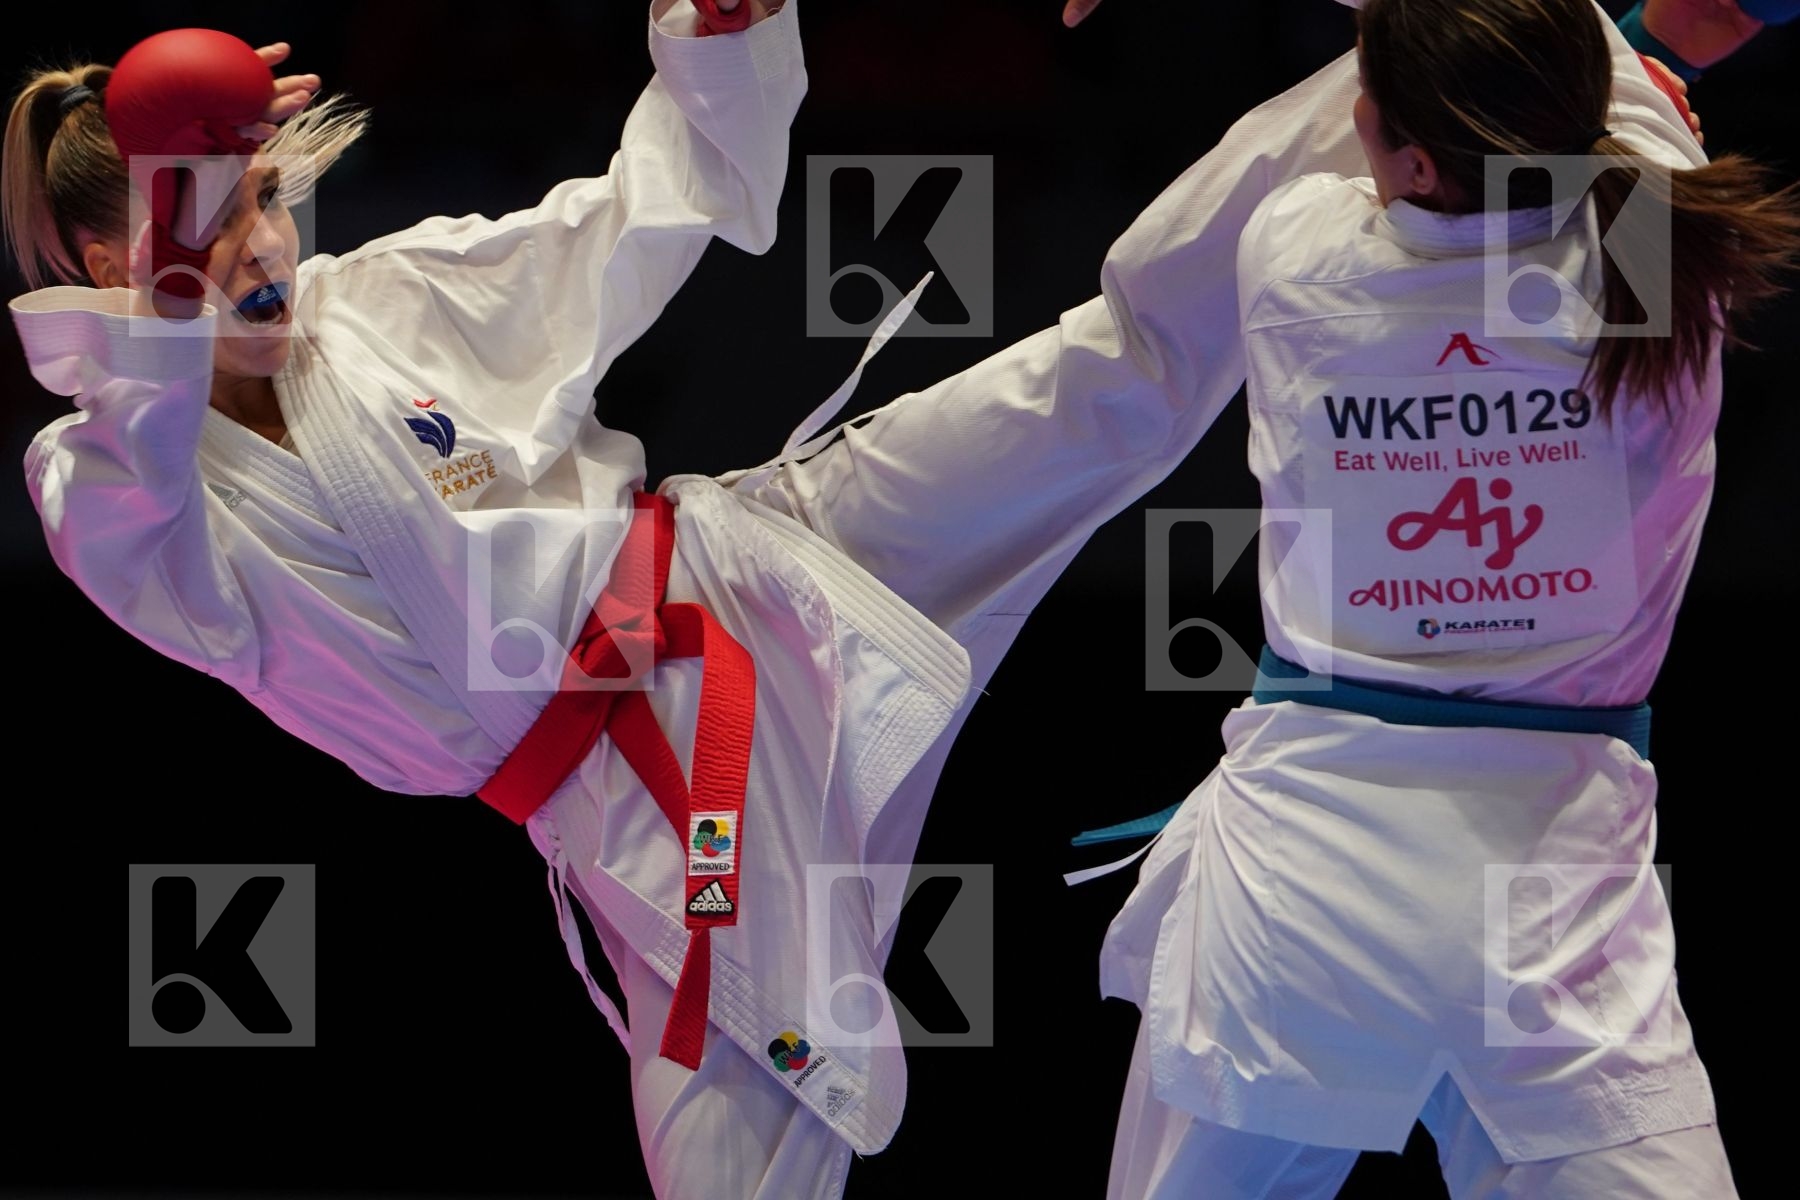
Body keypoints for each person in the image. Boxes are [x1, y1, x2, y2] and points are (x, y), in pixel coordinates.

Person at [1093, 0, 1800, 1197]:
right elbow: (1605, 68)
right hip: (1557, 903)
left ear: (1411, 156)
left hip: (1303, 887)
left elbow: (1579, 82)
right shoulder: (1658, 259)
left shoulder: (1299, 254)